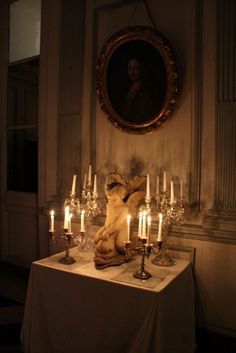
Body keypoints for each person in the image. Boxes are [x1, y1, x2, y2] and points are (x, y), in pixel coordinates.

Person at [120, 57, 160, 123]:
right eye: (130, 69)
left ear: (142, 69)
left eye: (135, 68)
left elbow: (142, 113)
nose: (132, 73)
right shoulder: (128, 88)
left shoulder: (147, 89)